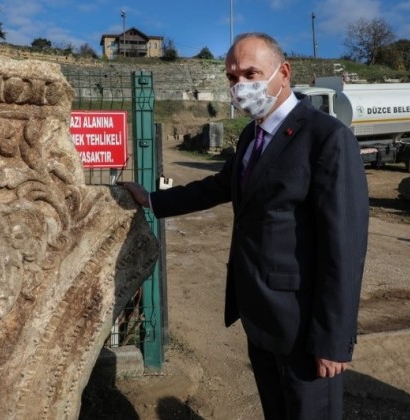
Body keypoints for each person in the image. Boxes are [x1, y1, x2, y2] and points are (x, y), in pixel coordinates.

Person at [123, 32, 369, 419]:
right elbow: (220, 186)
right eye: (232, 77)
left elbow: (345, 247)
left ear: (283, 73)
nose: (240, 86)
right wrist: (153, 200)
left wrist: (333, 340)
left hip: (304, 327)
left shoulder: (326, 138)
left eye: (251, 74)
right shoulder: (253, 136)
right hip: (260, 317)